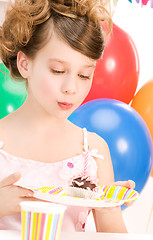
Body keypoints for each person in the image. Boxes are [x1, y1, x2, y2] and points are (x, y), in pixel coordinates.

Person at [0, 0, 135, 233]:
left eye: (84, 75)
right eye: (58, 71)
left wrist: (108, 208)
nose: (71, 88)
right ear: (25, 64)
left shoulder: (92, 152)